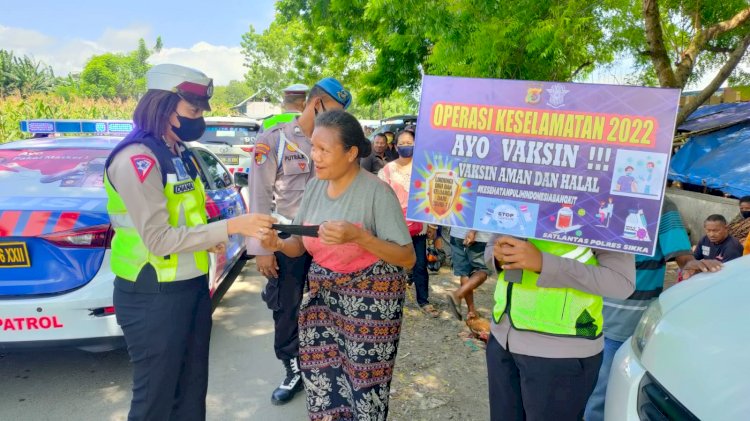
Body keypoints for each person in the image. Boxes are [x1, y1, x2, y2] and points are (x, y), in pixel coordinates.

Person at [104, 63, 275, 421]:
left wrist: (203, 242)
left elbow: (184, 221)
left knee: (191, 392)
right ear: (164, 105)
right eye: (193, 109)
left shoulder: (177, 152)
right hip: (153, 295)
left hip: (190, 288)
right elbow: (157, 238)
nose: (199, 118)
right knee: (157, 398)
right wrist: (230, 228)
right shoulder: (138, 158)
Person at [257, 109, 415, 420]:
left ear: (351, 153)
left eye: (324, 149)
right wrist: (277, 244)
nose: (315, 156)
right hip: (323, 300)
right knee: (321, 380)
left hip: (371, 306)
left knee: (364, 388)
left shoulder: (376, 193)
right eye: (313, 147)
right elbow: (299, 245)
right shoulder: (315, 186)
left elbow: (407, 257)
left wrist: (360, 237)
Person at [247, 77, 351, 405]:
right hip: (287, 237)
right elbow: (260, 197)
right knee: (286, 304)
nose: (338, 122)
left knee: (328, 303)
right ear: (318, 105)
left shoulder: (335, 142)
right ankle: (292, 367)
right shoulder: (274, 141)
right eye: (334, 112)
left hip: (326, 239)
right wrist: (262, 248)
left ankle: (325, 363)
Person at [584, 198, 724, 421]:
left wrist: (690, 264)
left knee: (602, 394)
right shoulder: (592, 194)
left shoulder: (661, 205)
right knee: (582, 388)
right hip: (582, 315)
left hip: (624, 321)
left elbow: (682, 256)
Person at [484, 235, 635, 421]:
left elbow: (621, 282)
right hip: (502, 338)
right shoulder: (514, 204)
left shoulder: (603, 207)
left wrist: (544, 264)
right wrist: (498, 256)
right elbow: (491, 247)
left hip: (562, 352)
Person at [379, 128, 439, 317]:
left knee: (420, 265)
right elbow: (380, 197)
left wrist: (432, 225)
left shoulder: (425, 169)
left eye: (409, 143)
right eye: (402, 143)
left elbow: (434, 196)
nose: (406, 146)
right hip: (394, 227)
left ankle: (424, 301)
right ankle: (388, 301)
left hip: (419, 227)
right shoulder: (387, 170)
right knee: (392, 264)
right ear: (395, 147)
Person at [445, 227, 490, 321]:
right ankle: (458, 294)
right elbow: (480, 212)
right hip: (479, 236)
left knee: (465, 273)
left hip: (457, 233)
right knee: (483, 269)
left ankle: (471, 311)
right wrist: (473, 231)